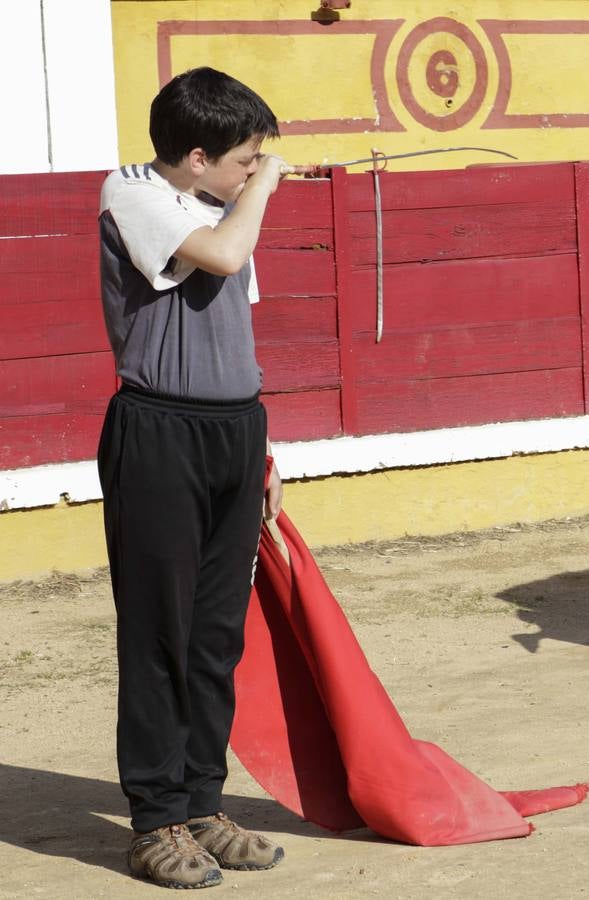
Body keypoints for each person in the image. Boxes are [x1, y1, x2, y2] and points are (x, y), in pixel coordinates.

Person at [97, 67, 294, 888]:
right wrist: (271, 183)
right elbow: (220, 253)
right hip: (160, 434)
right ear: (200, 155)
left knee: (216, 636)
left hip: (231, 434)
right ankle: (154, 821)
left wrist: (268, 449)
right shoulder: (131, 191)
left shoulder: (219, 201)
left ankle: (202, 802)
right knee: (160, 636)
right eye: (247, 157)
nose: (256, 169)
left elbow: (234, 340)